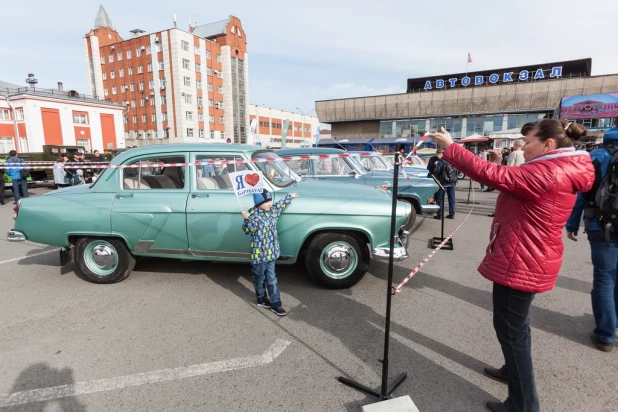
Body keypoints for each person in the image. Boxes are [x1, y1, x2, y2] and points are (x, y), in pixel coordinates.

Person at [428, 119, 594, 412]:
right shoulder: (558, 167)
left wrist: (452, 148)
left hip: (523, 258)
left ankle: (523, 404)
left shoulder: (550, 171)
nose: (523, 148)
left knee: (511, 328)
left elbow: (493, 176)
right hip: (527, 254)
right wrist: (497, 164)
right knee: (514, 326)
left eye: (528, 142)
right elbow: (508, 177)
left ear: (548, 145)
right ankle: (511, 371)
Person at [566, 116, 618, 353]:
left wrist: (572, 223)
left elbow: (581, 193)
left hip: (602, 225)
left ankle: (606, 334)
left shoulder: (597, 156)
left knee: (604, 278)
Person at [242, 189, 299, 316]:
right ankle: (261, 299)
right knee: (259, 278)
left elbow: (280, 205)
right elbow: (248, 230)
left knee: (272, 279)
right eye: (266, 201)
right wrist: (246, 219)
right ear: (258, 203)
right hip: (259, 255)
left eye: (270, 200)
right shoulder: (253, 215)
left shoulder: (272, 211)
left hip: (271, 254)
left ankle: (276, 304)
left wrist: (289, 197)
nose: (269, 203)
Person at [432, 148, 458, 219]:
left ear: (442, 154)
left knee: (440, 199)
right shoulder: (452, 161)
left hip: (443, 183)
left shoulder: (440, 162)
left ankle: (439, 214)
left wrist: (435, 165)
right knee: (452, 199)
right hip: (452, 182)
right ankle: (452, 213)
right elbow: (456, 171)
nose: (437, 155)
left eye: (439, 154)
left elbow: (436, 172)